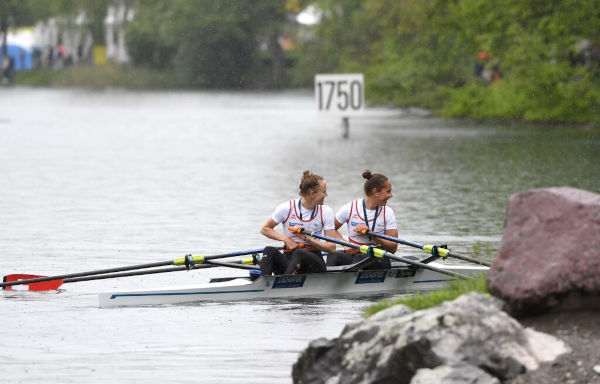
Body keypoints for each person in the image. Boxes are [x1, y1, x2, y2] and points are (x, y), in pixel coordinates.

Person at [259, 170, 337, 275]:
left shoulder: (326, 212)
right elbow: (264, 229)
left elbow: (332, 248)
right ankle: (263, 283)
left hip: (314, 261)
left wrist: (307, 239)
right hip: (290, 258)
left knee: (299, 253)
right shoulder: (286, 208)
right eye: (324, 191)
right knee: (269, 251)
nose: (326, 195)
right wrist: (286, 239)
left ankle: (285, 282)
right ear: (312, 193)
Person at [327, 170, 398, 270]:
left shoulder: (388, 212)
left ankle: (350, 281)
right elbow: (330, 230)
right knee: (334, 255)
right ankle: (325, 282)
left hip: (379, 258)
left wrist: (372, 234)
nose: (391, 195)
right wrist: (345, 244)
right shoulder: (350, 208)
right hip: (355, 256)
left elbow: (393, 248)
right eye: (388, 191)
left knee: (361, 257)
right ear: (375, 192)